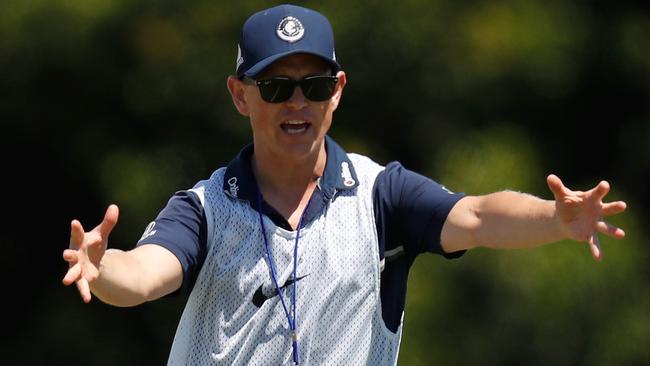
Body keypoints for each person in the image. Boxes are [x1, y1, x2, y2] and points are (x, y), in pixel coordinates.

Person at [62, 4, 627, 365]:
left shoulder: (383, 195)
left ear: (338, 90)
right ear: (240, 95)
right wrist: (104, 267)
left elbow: (476, 216)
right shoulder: (206, 207)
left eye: (315, 84)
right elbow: (145, 274)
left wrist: (555, 220)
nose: (299, 103)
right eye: (277, 88)